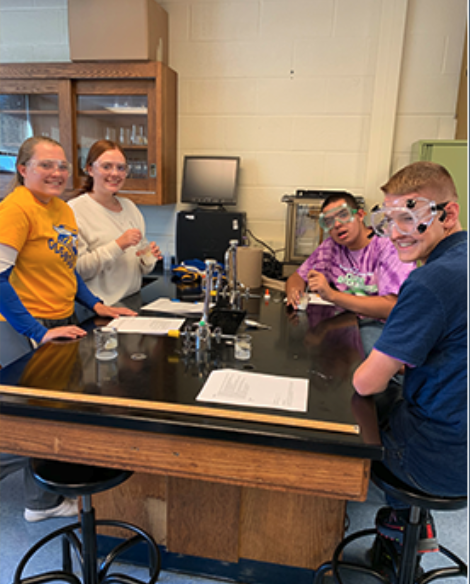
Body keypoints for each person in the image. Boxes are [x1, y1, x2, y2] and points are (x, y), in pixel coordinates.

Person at [0, 135, 136, 521]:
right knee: (28, 419)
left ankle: (39, 503)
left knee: (46, 414)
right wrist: (39, 332)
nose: (57, 172)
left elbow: (68, 268)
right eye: (46, 164)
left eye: (61, 165)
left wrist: (95, 304)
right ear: (23, 168)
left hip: (59, 320)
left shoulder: (60, 210)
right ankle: (41, 501)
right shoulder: (15, 210)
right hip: (22, 325)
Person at [353, 162, 467, 556]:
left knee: (355, 414)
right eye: (387, 220)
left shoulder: (431, 280)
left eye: (408, 216)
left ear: (447, 215)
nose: (395, 232)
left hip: (439, 459)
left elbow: (366, 382)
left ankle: (400, 529)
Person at [286, 192, 415, 355]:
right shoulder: (331, 247)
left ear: (360, 215)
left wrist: (332, 295)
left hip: (382, 324)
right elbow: (297, 277)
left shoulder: (387, 247)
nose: (337, 224)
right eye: (329, 221)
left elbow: (392, 307)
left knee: (373, 356)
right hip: (347, 320)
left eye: (343, 215)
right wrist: (294, 292)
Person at [68, 140, 162, 305]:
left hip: (130, 302)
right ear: (90, 169)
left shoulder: (129, 207)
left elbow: (142, 268)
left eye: (121, 168)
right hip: (97, 309)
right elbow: (78, 270)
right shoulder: (75, 211)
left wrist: (148, 256)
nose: (115, 173)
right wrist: (118, 245)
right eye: (106, 166)